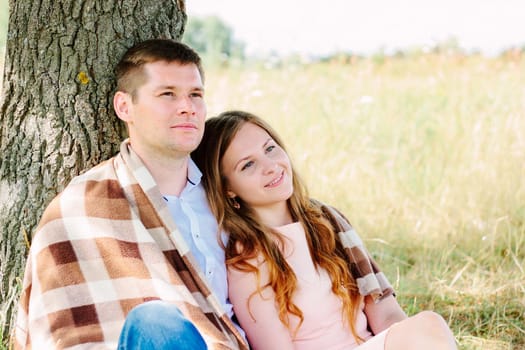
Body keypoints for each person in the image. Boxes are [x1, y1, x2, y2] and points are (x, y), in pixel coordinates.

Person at [13, 40, 248, 350]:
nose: (187, 107)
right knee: (156, 323)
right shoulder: (82, 207)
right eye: (167, 94)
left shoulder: (231, 196)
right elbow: (62, 331)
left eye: (195, 95)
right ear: (125, 107)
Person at [192, 110, 458, 350]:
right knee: (429, 326)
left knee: (427, 327)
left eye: (270, 149)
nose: (270, 166)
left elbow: (386, 314)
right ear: (227, 189)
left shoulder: (328, 221)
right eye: (248, 165)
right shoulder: (247, 256)